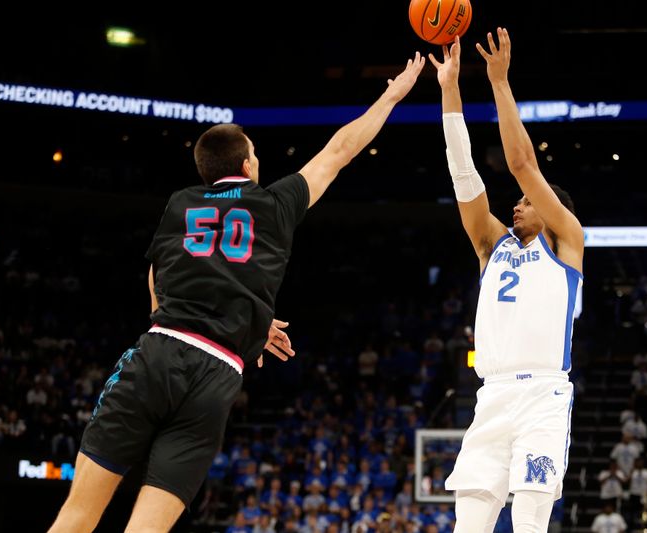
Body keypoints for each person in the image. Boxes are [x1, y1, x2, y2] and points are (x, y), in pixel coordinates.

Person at [47, 52, 425, 532]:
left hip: (162, 349)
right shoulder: (273, 202)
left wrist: (191, 320)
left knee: (79, 513)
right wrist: (392, 94)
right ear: (247, 164)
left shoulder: (180, 202)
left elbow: (158, 272)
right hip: (219, 373)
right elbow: (339, 150)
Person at [431, 29, 584, 533]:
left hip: (543, 395)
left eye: (525, 201)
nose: (516, 204)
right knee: (469, 524)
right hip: (491, 395)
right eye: (515, 201)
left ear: (551, 208)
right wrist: (450, 89)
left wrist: (499, 82)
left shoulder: (566, 240)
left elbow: (521, 164)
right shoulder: (491, 246)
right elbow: (463, 173)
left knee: (530, 521)